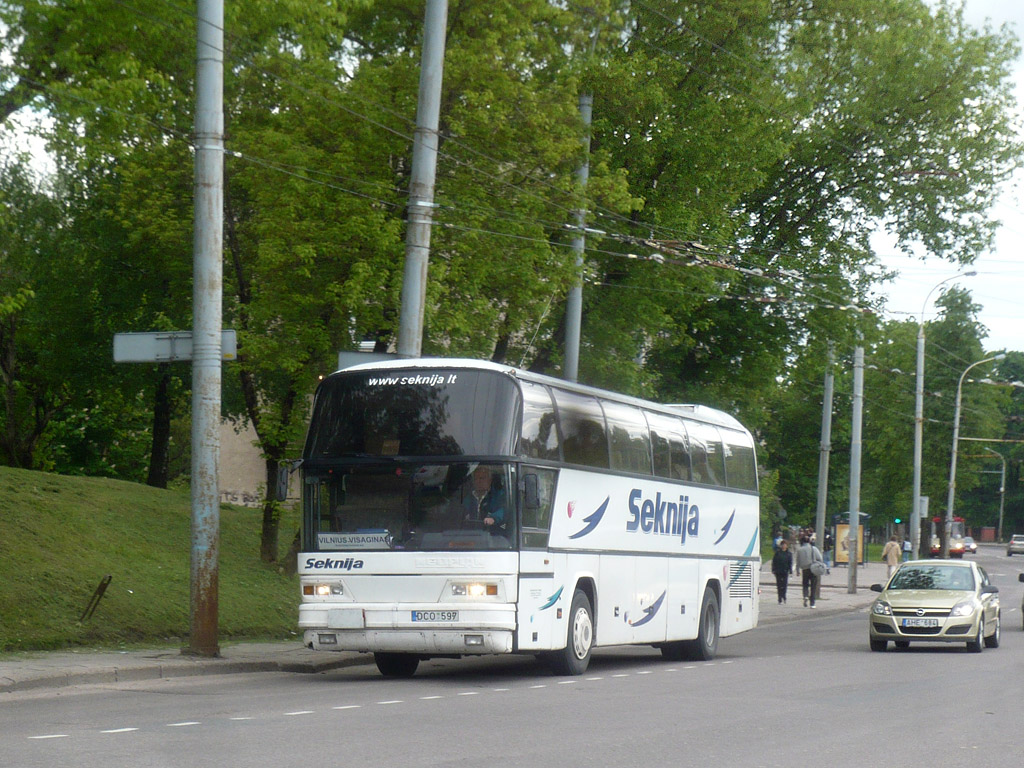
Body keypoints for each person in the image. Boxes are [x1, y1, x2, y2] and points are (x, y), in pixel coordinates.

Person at [461, 465, 507, 530]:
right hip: (469, 534)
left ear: (489, 480)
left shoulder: (498, 496)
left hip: (493, 535)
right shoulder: (467, 499)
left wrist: (493, 518)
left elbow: (504, 510)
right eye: (476, 478)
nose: (478, 481)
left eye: (482, 478)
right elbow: (460, 512)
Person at [794, 535, 824, 608]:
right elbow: (820, 558)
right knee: (813, 586)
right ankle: (812, 603)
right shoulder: (813, 548)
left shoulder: (799, 550)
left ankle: (805, 595)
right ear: (809, 541)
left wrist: (797, 570)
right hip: (813, 569)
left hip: (804, 569)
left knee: (805, 584)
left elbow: (797, 561)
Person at [771, 539, 793, 604]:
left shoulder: (789, 554)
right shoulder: (777, 553)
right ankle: (779, 598)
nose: (784, 546)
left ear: (787, 546)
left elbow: (790, 562)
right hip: (778, 571)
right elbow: (774, 561)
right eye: (782, 545)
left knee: (784, 584)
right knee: (779, 585)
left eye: (785, 545)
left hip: (785, 571)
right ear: (781, 546)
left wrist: (790, 570)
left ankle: (784, 596)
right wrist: (773, 569)